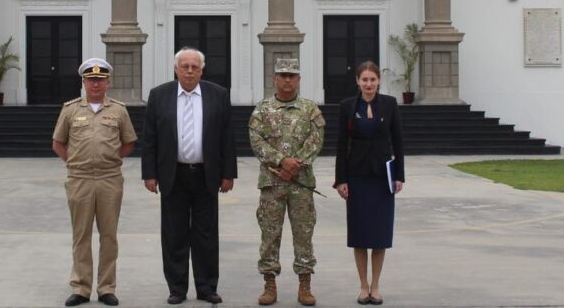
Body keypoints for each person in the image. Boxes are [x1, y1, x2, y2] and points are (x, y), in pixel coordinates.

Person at [141, 47, 237, 305]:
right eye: (185, 66)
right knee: (174, 234)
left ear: (202, 70)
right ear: (176, 69)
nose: (190, 71)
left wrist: (229, 174)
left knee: (206, 235)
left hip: (207, 175)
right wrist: (149, 174)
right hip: (173, 175)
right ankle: (177, 288)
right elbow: (150, 138)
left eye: (195, 67)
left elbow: (228, 138)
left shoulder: (218, 95)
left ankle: (207, 288)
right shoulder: (159, 95)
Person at [52, 58, 137, 307]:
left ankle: (106, 288)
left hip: (110, 179)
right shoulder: (70, 110)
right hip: (79, 180)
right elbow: (58, 143)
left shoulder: (119, 111)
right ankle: (80, 287)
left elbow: (129, 142)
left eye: (100, 80)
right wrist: (74, 163)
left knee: (109, 236)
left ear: (108, 83)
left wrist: (110, 159)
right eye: (91, 80)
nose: (96, 84)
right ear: (84, 82)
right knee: (81, 236)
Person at [247, 58, 325, 307]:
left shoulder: (310, 109)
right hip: (272, 183)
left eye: (292, 75)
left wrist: (295, 165)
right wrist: (281, 160)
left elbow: (316, 139)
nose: (287, 79)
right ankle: (269, 283)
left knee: (304, 233)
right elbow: (256, 141)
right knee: (270, 234)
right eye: (283, 75)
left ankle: (305, 284)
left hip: (301, 184)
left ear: (299, 79)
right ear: (275, 79)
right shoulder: (262, 109)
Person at [333, 61, 405, 305]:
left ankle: (376, 286)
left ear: (378, 81)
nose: (368, 84)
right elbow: (341, 144)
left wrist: (399, 175)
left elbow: (398, 140)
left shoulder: (390, 104)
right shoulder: (347, 107)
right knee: (361, 235)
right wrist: (341, 179)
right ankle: (363, 286)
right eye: (364, 80)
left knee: (380, 235)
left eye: (372, 80)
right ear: (357, 82)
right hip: (357, 176)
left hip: (382, 178)